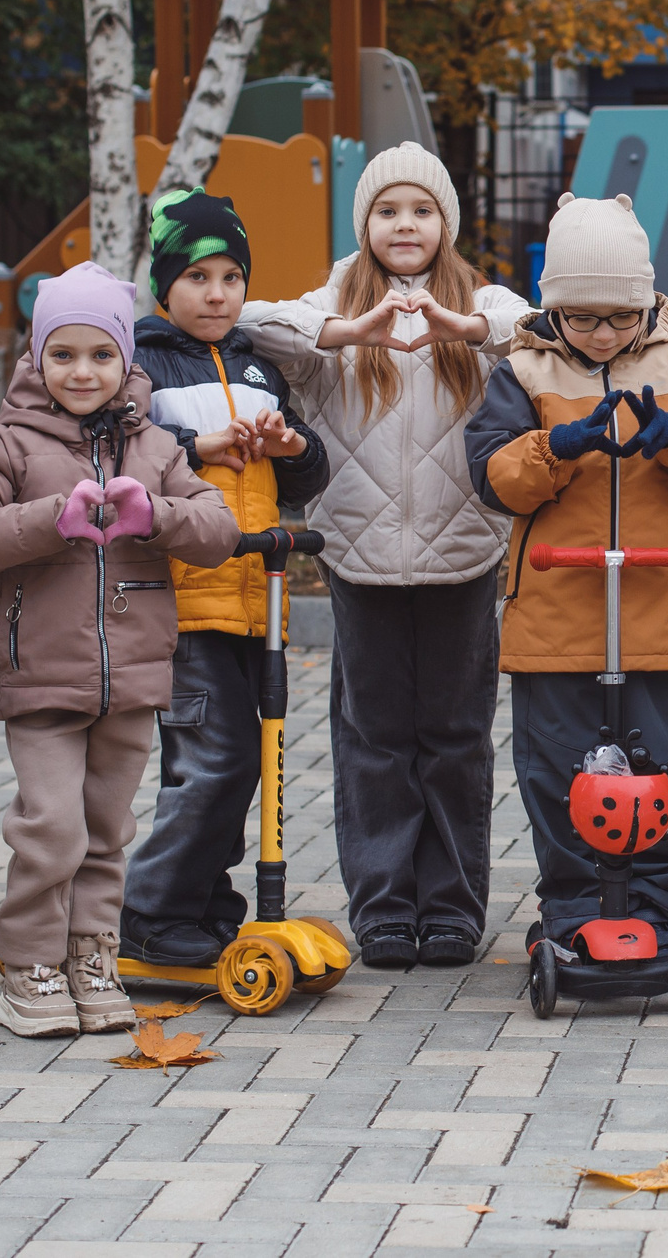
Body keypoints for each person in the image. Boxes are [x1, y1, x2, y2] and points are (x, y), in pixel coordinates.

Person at [239, 142, 531, 969]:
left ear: (447, 223)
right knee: (373, 736)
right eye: (388, 210)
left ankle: (449, 907)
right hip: (360, 554)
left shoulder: (480, 303)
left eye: (423, 210)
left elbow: (535, 328)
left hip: (463, 551)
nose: (406, 224)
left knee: (454, 734)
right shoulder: (331, 303)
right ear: (365, 223)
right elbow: (252, 319)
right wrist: (345, 329)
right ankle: (384, 907)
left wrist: (468, 326)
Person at [0, 262, 239, 1038]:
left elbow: (218, 531)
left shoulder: (157, 446)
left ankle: (90, 955)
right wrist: (48, 519)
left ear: (125, 362)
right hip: (42, 672)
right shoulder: (7, 444)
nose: (82, 371)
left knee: (107, 829)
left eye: (101, 354)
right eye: (63, 354)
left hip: (133, 676)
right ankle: (28, 961)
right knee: (51, 826)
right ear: (36, 357)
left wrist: (156, 514)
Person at [464, 193, 668, 961]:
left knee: (649, 765)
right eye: (582, 318)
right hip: (557, 603)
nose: (600, 335)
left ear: (647, 302)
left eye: (620, 318)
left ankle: (650, 903)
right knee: (559, 765)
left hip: (655, 599)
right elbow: (493, 478)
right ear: (553, 306)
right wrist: (556, 446)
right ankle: (571, 904)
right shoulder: (521, 370)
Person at [119, 191, 331, 968]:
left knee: (240, 759)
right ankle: (150, 909)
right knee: (215, 760)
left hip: (253, 597)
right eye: (198, 275)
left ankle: (206, 905)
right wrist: (198, 441)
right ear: (164, 282)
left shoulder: (257, 365)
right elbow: (125, 446)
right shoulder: (142, 362)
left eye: (232, 276)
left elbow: (310, 472)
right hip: (182, 598)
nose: (217, 293)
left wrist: (288, 440)